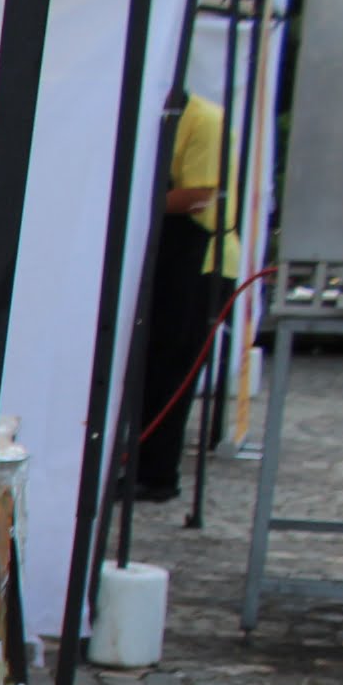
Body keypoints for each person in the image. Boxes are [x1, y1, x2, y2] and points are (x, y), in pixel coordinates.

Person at [130, 91, 237, 501]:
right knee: (148, 364)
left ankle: (158, 474)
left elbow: (199, 195)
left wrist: (131, 201)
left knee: (171, 367)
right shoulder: (151, 114)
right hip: (169, 254)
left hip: (202, 259)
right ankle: (139, 462)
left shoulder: (205, 119)